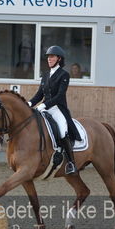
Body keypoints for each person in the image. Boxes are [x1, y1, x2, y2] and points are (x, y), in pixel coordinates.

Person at [28, 45, 81, 175]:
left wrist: (44, 105)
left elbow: (60, 95)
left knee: (62, 132)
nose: (49, 59)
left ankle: (71, 163)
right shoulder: (45, 75)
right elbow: (39, 94)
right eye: (48, 57)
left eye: (52, 57)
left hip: (57, 109)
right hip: (45, 108)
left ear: (59, 58)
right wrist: (29, 103)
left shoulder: (64, 75)